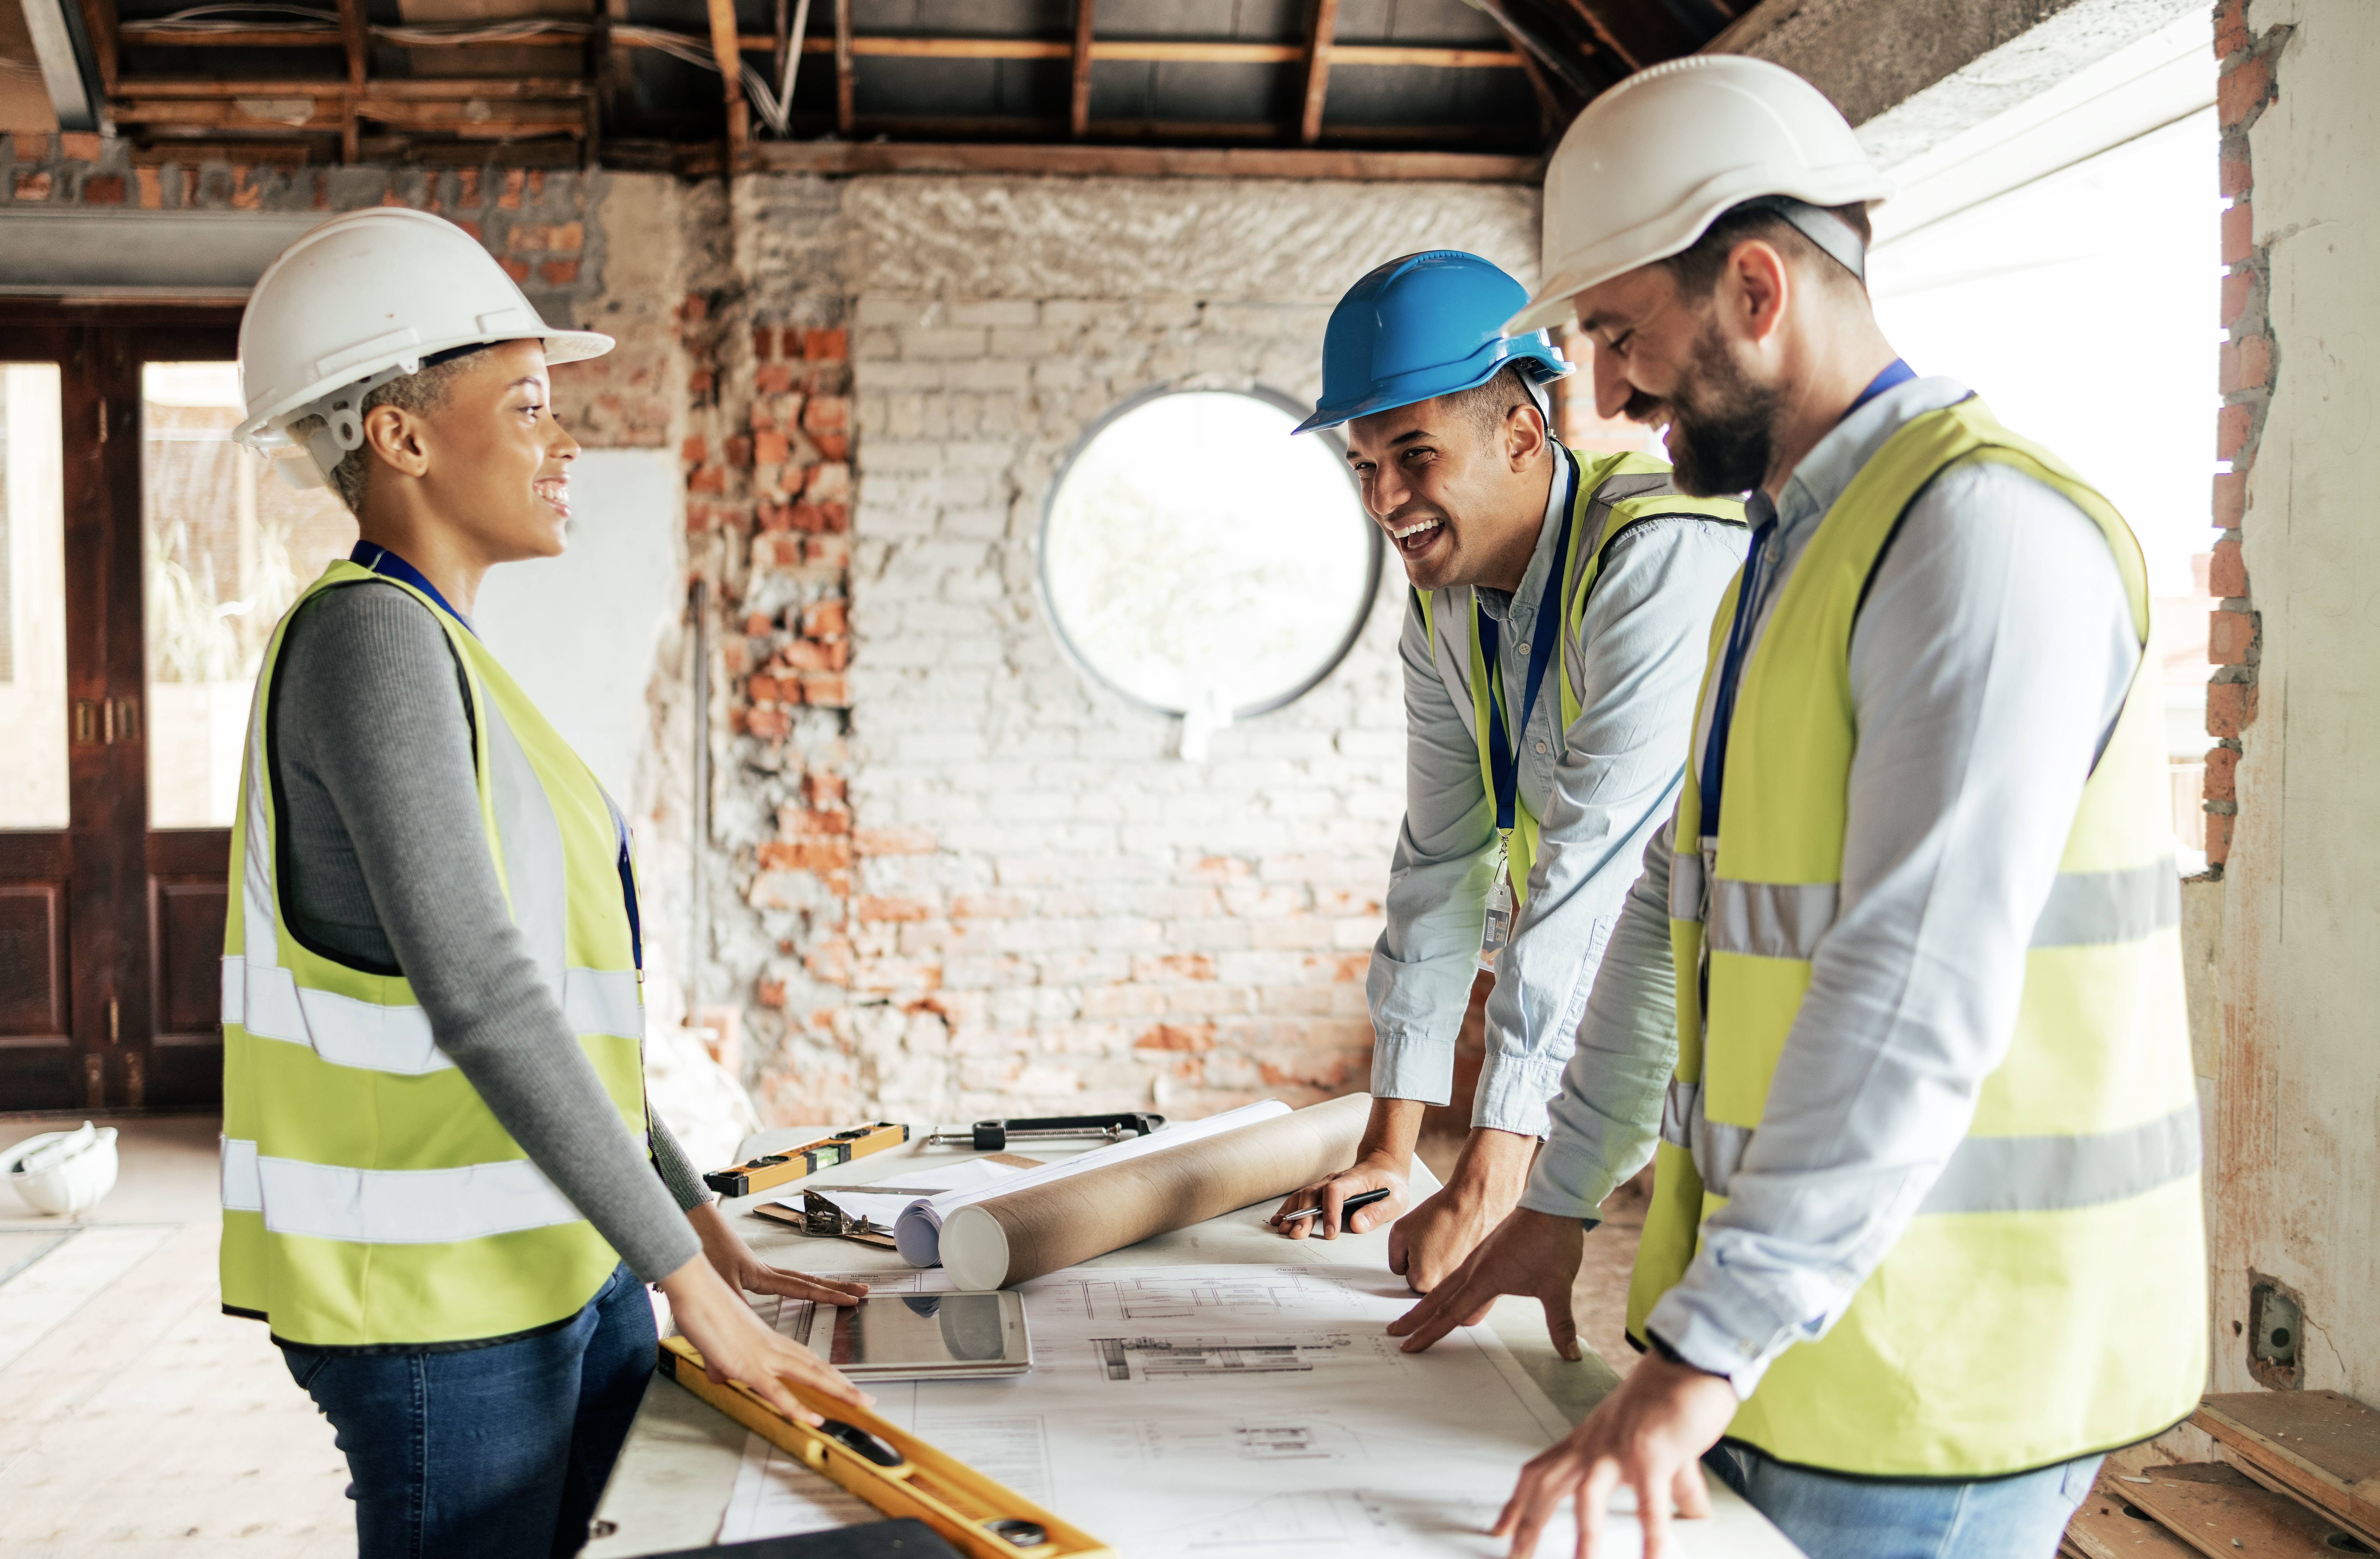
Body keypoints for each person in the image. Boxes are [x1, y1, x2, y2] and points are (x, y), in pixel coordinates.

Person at [1387, 58, 2208, 1559]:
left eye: (1625, 336)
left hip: (1952, 1366)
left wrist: (1699, 1352)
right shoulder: (1785, 548)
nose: (1612, 396)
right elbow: (1674, 910)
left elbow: (1914, 985)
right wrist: (1562, 1199)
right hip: (1802, 1340)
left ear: (1757, 289)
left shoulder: (1979, 540)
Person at [219, 208, 869, 1559]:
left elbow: (571, 1014)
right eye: (526, 404)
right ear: (399, 437)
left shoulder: (449, 655)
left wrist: (686, 1217)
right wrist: (696, 1284)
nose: (564, 441)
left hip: (564, 1257)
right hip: (440, 1310)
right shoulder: (369, 646)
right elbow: (485, 993)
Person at [1269, 252, 1745, 1291]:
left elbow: (1589, 870)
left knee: (1711, 1306)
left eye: (1413, 455)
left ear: (1523, 435)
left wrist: (1486, 1182)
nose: (1385, 498)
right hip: (1630, 987)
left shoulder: (1655, 558)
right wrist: (1393, 1151)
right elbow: (1441, 864)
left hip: (1733, 993)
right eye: (1362, 466)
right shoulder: (1438, 607)